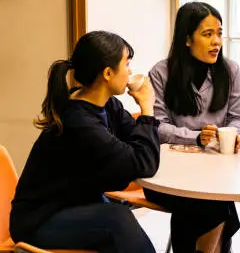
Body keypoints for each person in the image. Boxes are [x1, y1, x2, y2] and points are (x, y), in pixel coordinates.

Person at [10, 31, 160, 253]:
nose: (130, 71)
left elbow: (137, 143)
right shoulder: (78, 122)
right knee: (118, 220)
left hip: (76, 203)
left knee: (118, 221)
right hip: (40, 220)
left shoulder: (107, 105)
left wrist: (145, 125)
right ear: (108, 73)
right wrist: (147, 109)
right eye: (126, 64)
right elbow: (143, 163)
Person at [145, 1, 240, 253]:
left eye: (219, 33)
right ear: (187, 39)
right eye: (207, 34)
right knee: (212, 200)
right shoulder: (161, 73)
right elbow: (156, 127)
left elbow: (239, 118)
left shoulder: (230, 70)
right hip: (168, 175)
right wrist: (196, 137)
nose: (216, 42)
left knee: (213, 195)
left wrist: (231, 134)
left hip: (216, 171)